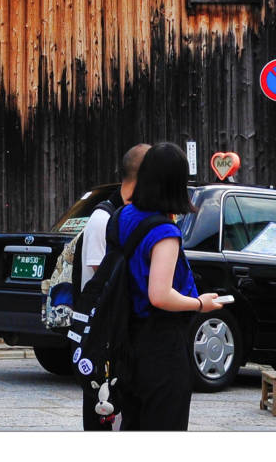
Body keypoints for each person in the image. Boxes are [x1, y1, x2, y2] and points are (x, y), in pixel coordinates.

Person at [113, 141, 223, 431]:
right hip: (161, 344)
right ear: (176, 184)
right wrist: (201, 304)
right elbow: (159, 295)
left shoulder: (122, 216)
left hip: (126, 338)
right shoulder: (164, 232)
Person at [77, 142, 149, 430]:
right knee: (102, 419)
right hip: (102, 338)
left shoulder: (130, 215)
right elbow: (102, 280)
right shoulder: (103, 219)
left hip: (122, 337)